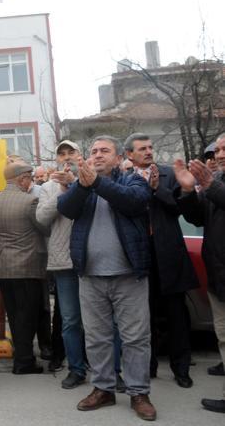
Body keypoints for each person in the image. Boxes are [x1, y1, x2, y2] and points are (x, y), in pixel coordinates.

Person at [57, 135, 156, 421]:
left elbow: (134, 202)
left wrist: (96, 184)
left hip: (128, 275)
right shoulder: (84, 184)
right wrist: (84, 186)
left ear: (117, 157)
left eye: (104, 151)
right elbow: (65, 208)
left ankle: (138, 392)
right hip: (91, 275)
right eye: (93, 151)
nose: (97, 155)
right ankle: (103, 389)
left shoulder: (132, 180)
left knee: (136, 338)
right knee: (97, 337)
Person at [124, 133, 197, 388]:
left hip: (169, 255)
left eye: (150, 147)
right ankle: (149, 368)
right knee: (144, 318)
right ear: (129, 155)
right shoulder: (124, 178)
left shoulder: (168, 174)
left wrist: (157, 189)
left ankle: (181, 370)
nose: (148, 151)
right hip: (140, 256)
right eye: (141, 148)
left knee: (177, 317)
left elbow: (181, 209)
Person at [175, 134, 225, 413]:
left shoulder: (215, 184)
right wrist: (186, 192)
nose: (219, 154)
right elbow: (197, 218)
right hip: (219, 277)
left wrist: (209, 185)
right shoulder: (216, 184)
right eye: (217, 149)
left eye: (224, 149)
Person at [36, 140, 88, 389]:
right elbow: (43, 217)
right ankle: (76, 368)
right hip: (64, 260)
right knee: (70, 320)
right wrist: (61, 187)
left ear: (80, 156)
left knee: (102, 320)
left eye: (71, 152)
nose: (66, 157)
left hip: (92, 258)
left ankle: (109, 370)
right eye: (62, 154)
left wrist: (75, 184)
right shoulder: (47, 187)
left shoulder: (92, 180)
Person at [0, 162, 49, 374]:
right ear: (22, 178)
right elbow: (44, 227)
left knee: (15, 314)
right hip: (26, 265)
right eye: (30, 178)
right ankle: (24, 361)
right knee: (28, 315)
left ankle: (21, 357)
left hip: (2, 264)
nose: (30, 183)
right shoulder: (30, 200)